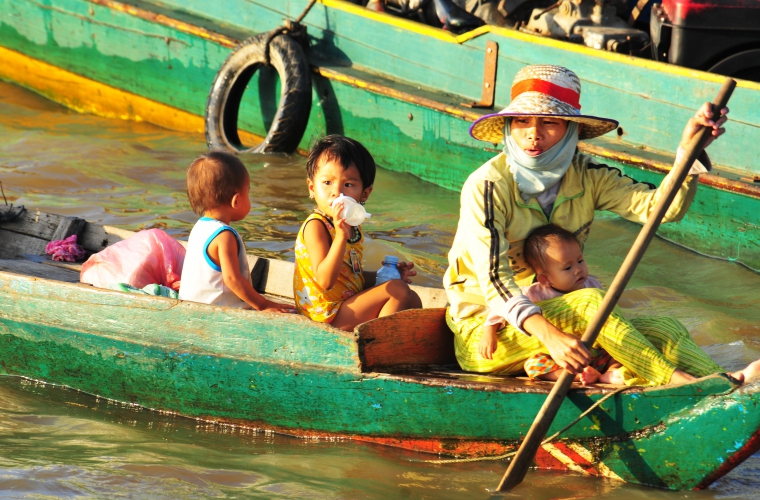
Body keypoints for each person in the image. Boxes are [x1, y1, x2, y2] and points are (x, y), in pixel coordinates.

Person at [444, 64, 760, 385]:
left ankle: (724, 383)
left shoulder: (587, 175)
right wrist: (552, 337)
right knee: (593, 302)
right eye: (522, 121)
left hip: (567, 320)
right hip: (489, 335)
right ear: (509, 126)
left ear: (572, 131)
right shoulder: (486, 186)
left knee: (666, 329)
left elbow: (659, 211)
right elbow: (494, 280)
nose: (533, 134)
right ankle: (683, 383)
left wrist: (688, 150)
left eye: (550, 122)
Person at [293, 135, 422, 331]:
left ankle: (398, 346)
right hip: (324, 316)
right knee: (398, 291)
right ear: (312, 187)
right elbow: (325, 281)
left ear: (365, 194)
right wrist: (341, 237)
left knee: (412, 298)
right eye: (327, 182)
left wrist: (387, 276)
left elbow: (351, 277)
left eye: (349, 185)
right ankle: (377, 347)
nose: (337, 192)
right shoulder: (316, 226)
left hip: (343, 306)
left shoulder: (352, 228)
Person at [481, 224, 626, 385]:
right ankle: (576, 376)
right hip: (557, 356)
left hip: (589, 351)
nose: (578, 270)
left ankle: (610, 372)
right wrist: (490, 331)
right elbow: (502, 308)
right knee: (533, 364)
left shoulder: (593, 285)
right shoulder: (535, 293)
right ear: (545, 279)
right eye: (568, 267)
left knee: (616, 348)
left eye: (580, 261)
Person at [179, 151, 293, 312]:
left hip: (191, 308)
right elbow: (232, 279)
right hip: (216, 314)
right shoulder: (224, 236)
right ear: (237, 200)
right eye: (248, 192)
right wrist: (264, 304)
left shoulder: (199, 227)